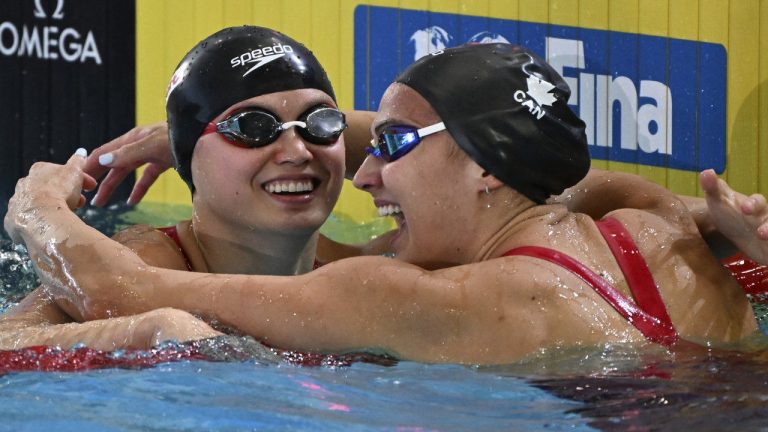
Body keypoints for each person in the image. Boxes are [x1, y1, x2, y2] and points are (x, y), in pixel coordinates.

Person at [8, 43, 768, 365]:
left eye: (391, 145)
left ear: (484, 168)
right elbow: (530, 152)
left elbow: (115, 292)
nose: (364, 173)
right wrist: (193, 136)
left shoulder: (409, 294)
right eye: (252, 129)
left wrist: (39, 203)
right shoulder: (654, 223)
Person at [0, 25, 381, 351]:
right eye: (252, 128)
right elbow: (9, 338)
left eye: (320, 122)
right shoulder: (138, 259)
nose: (297, 152)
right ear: (189, 157)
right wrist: (144, 330)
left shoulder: (369, 273)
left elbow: (437, 150)